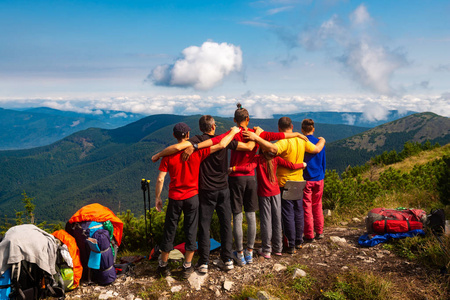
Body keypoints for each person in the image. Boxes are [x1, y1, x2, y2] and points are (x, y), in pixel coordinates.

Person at [152, 115, 254, 274]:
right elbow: (244, 147)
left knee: (198, 227)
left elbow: (173, 155)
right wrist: (252, 135)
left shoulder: (194, 143)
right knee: (224, 224)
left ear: (199, 129)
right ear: (214, 127)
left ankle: (199, 262)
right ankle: (223, 260)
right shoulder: (217, 143)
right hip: (218, 190)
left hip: (201, 191)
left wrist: (159, 155)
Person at [228, 104, 308, 265]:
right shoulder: (270, 150)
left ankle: (255, 251)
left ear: (235, 120)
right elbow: (279, 137)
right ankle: (267, 249)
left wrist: (233, 168)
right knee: (267, 217)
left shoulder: (250, 150)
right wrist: (298, 136)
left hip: (250, 185)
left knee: (252, 218)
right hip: (266, 187)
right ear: (248, 119)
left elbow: (247, 165)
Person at [243, 117, 325, 254]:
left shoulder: (283, 143)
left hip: (285, 183)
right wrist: (322, 140)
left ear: (279, 128)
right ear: (292, 127)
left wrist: (256, 138)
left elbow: (272, 149)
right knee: (298, 212)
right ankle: (299, 241)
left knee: (287, 214)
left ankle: (290, 244)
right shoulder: (302, 140)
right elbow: (316, 149)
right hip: (300, 180)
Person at [229, 149, 306, 259]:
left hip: (264, 193)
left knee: (266, 221)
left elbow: (248, 168)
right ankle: (278, 248)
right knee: (277, 220)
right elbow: (291, 166)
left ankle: (267, 250)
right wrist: (302, 164)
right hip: (276, 192)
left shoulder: (258, 159)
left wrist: (234, 168)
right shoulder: (276, 158)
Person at [301, 119, 326, 242]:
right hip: (319, 178)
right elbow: (323, 162)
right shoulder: (319, 143)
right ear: (313, 129)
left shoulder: (302, 143)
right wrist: (322, 175)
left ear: (302, 130)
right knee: (318, 205)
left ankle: (309, 235)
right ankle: (319, 231)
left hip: (306, 179)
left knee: (307, 207)